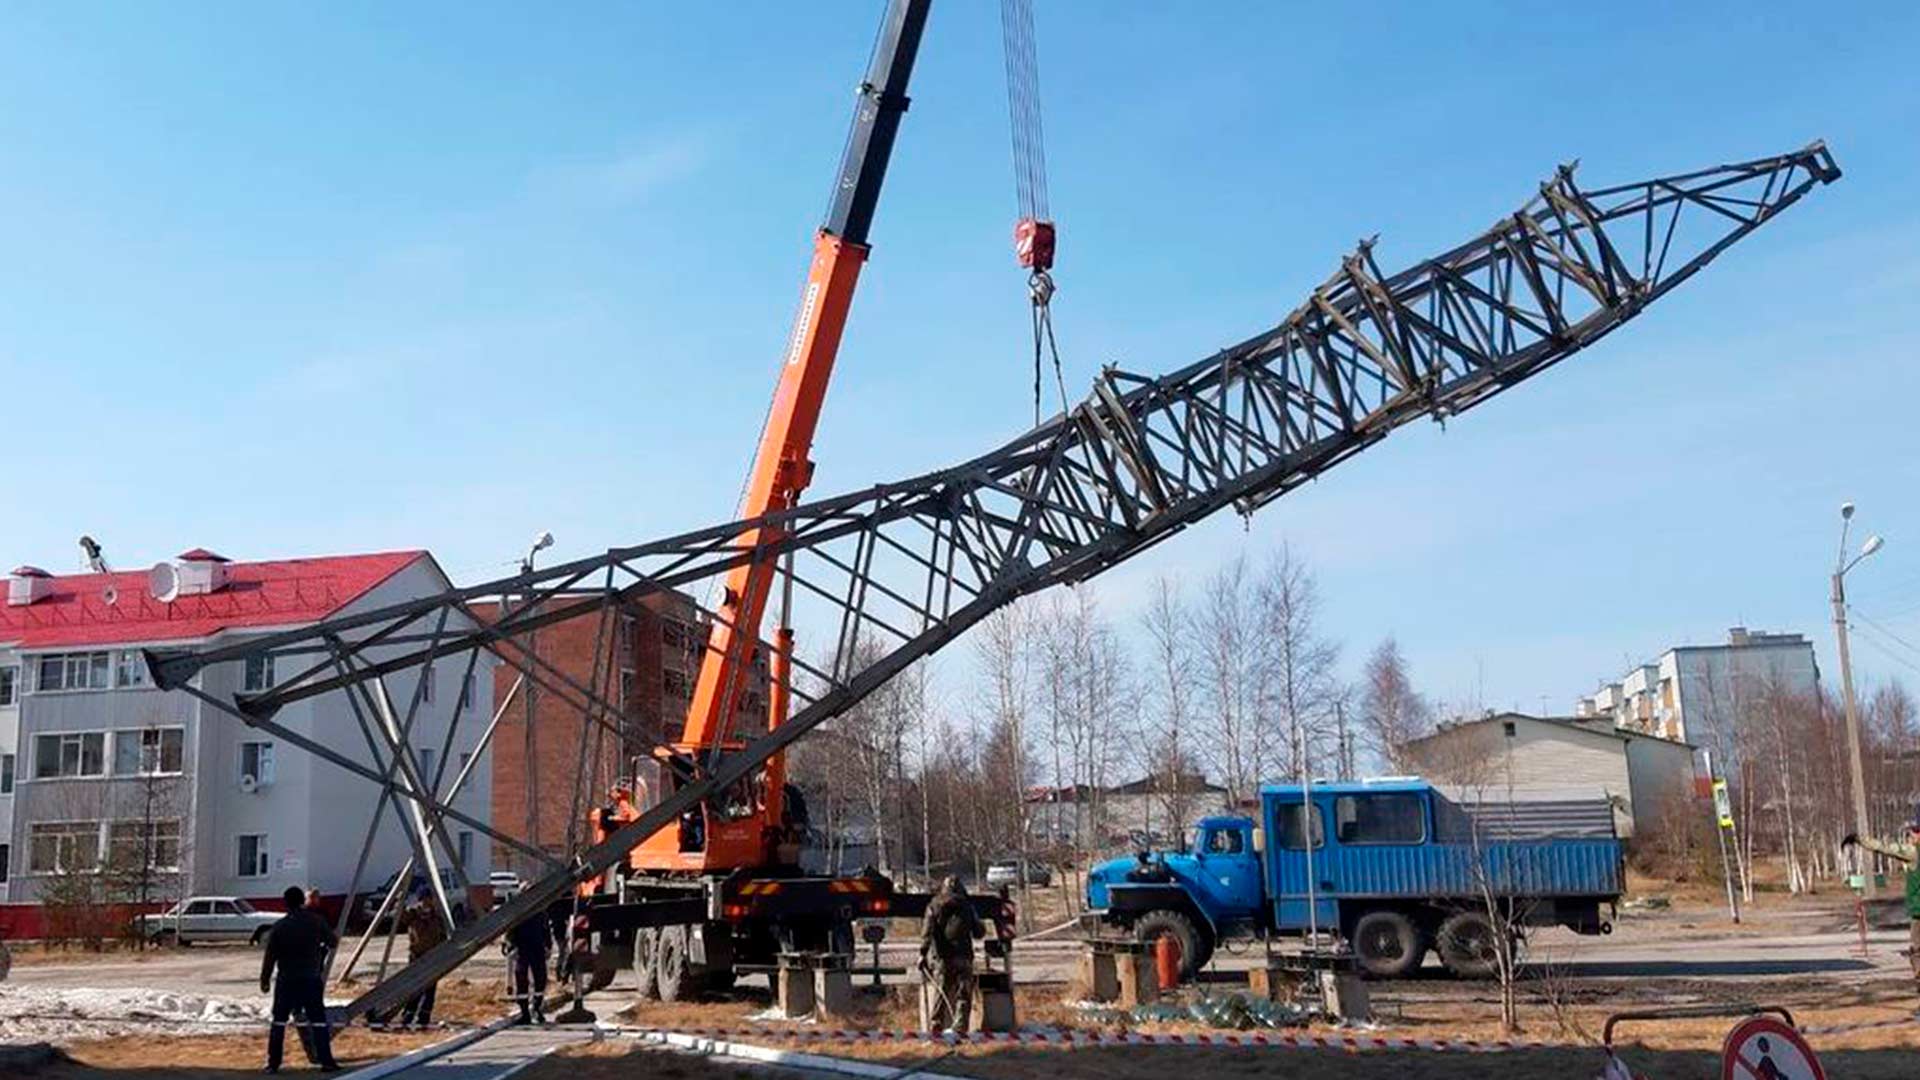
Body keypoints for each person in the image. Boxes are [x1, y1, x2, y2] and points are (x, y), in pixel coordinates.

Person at [261, 885, 341, 1073]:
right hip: (310, 978)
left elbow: (270, 957)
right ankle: (326, 1061)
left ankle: (273, 1063)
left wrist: (264, 980)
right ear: (302, 901)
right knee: (318, 1020)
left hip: (286, 980)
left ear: (286, 903)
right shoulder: (316, 921)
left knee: (279, 1021)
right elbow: (333, 942)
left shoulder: (279, 927)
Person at [1844, 812, 1920, 991]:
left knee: (1916, 948)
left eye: (1914, 831)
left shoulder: (1913, 852)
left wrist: (1860, 840)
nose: (1911, 835)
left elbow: (1885, 848)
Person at [919, 875, 983, 1033]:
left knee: (941, 993)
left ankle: (936, 1026)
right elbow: (979, 932)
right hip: (964, 956)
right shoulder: (968, 906)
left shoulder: (934, 905)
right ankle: (960, 1029)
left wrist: (922, 954)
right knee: (963, 995)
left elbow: (927, 932)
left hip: (943, 957)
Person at [395, 892, 447, 1029]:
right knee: (414, 988)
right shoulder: (413, 914)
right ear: (420, 901)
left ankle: (423, 1019)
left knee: (430, 990)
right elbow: (400, 915)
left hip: (432, 957)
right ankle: (408, 1017)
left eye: (430, 899)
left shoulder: (436, 917)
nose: (427, 902)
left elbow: (443, 936)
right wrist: (399, 901)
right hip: (416, 957)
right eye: (425, 900)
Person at [506, 911, 552, 1025]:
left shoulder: (540, 912)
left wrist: (548, 946)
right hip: (522, 948)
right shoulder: (518, 912)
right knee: (521, 978)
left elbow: (546, 929)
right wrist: (511, 945)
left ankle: (536, 1008)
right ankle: (525, 1013)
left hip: (537, 948)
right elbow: (510, 929)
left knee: (540, 978)